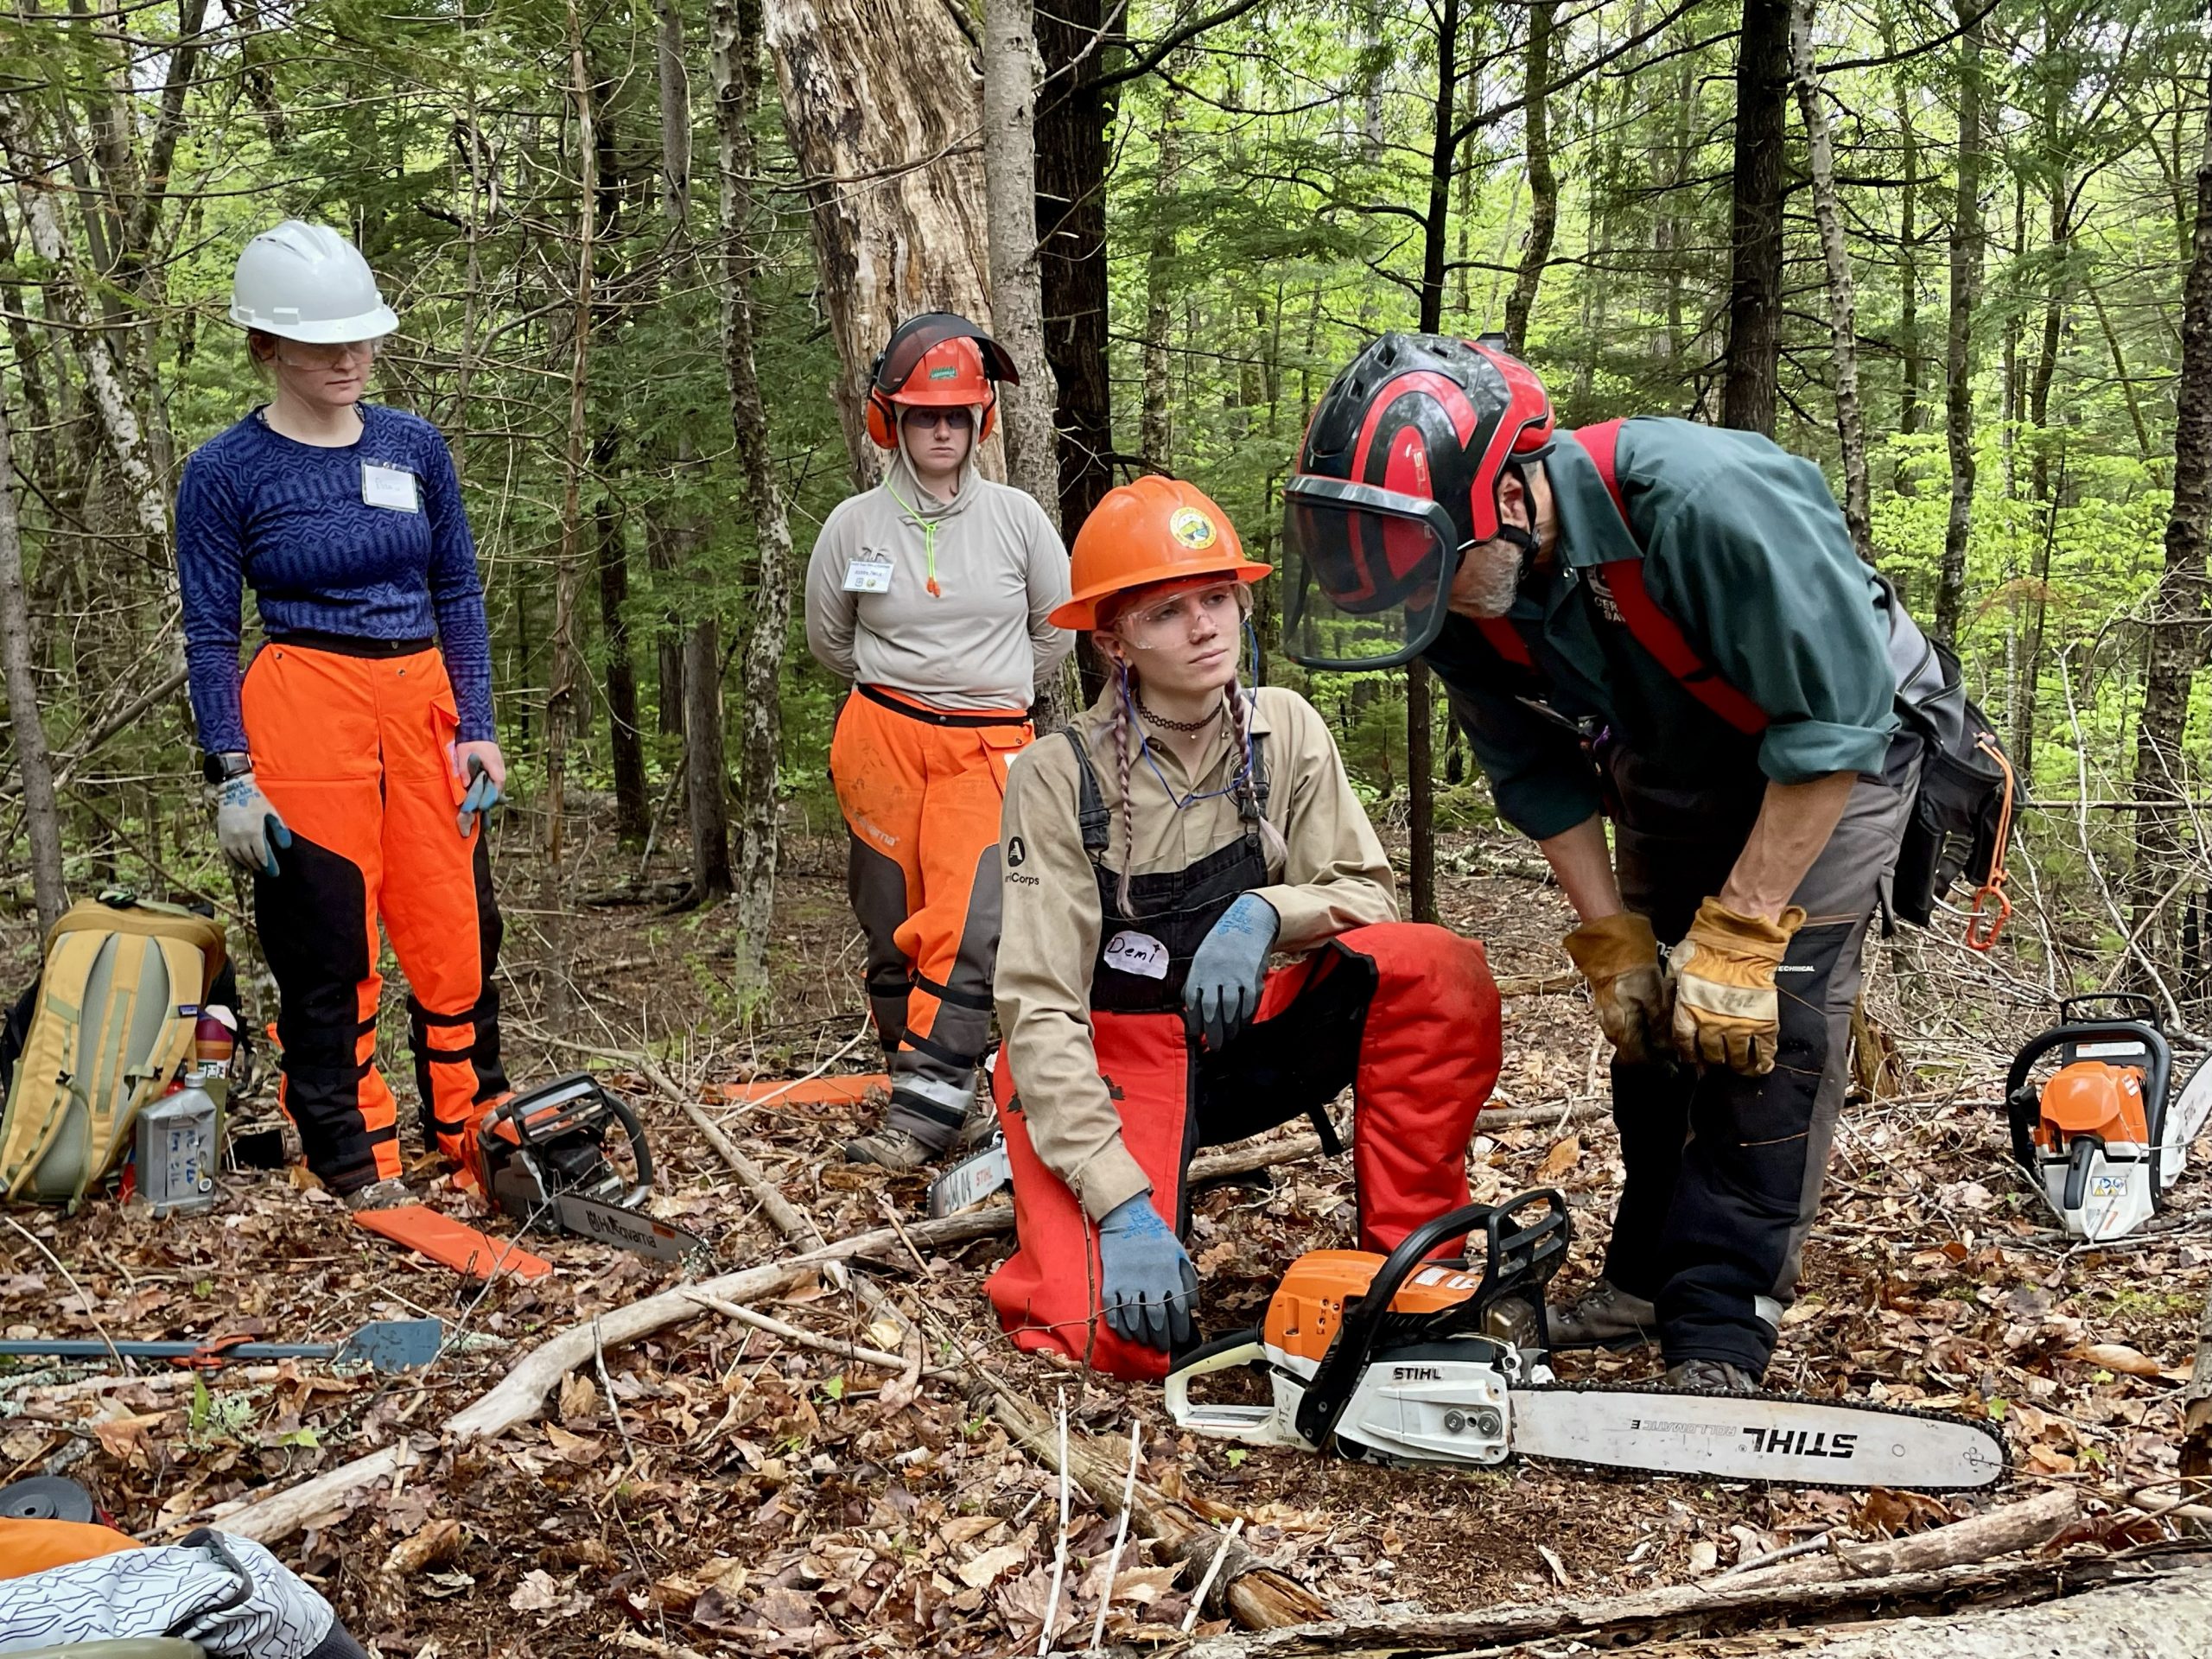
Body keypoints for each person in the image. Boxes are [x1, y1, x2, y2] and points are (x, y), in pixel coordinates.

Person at [1283, 331, 1921, 1393]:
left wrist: (1746, 928)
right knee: (1658, 1030)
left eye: (1432, 572)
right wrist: (1612, 943)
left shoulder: (1699, 505)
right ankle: (1643, 1273)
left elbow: (1832, 723)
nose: (1418, 599)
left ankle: (1723, 1311)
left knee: (1764, 1021)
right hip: (1673, 758)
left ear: (1510, 501)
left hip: (1836, 744)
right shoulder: (1456, 595)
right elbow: (1539, 775)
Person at [988, 476, 1502, 1380]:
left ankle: (1416, 1265)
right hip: (1118, 1054)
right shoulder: (1055, 775)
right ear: (1113, 640)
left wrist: (1268, 911)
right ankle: (1095, 1216)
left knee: (1436, 966)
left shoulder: (1285, 729)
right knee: (1107, 1335)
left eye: (1218, 597)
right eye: (1168, 611)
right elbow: (1038, 1007)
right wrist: (1117, 1204)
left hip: (1252, 1035)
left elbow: (1368, 897)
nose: (1205, 627)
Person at [175, 220, 509, 1211]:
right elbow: (207, 633)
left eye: (361, 338)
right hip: (301, 709)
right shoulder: (226, 471)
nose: (350, 359)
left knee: (455, 929)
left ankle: (473, 1118)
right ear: (268, 346)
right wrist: (231, 770)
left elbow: (457, 589)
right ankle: (351, 1148)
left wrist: (478, 721)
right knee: (329, 940)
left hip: (422, 708)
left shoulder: (414, 446)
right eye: (325, 344)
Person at [806, 314, 1074, 1170]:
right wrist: (904, 687)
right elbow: (829, 639)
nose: (943, 431)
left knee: (962, 927)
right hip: (881, 738)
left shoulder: (1018, 519)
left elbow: (1054, 631)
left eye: (957, 415)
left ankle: (920, 1124)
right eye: (926, 415)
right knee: (890, 925)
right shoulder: (853, 524)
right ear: (893, 420)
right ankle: (923, 1083)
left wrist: (979, 691)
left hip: (986, 745)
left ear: (980, 421)